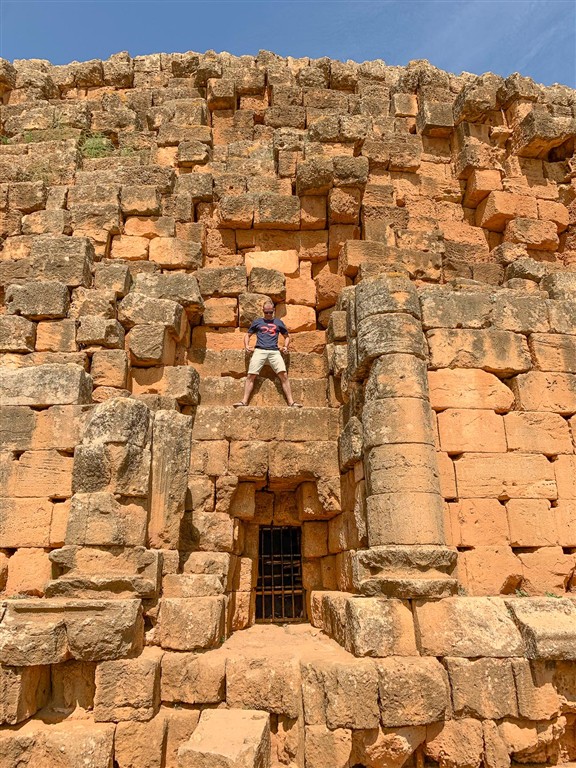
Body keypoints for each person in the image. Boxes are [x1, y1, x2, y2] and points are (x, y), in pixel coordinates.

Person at [234, 300, 302, 408]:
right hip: (259, 350)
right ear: (263, 311)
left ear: (274, 310)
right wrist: (246, 345)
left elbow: (287, 336)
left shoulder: (278, 322)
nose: (269, 314)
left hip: (274, 352)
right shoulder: (257, 322)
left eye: (271, 312)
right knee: (251, 375)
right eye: (266, 312)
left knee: (284, 375)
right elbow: (247, 335)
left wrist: (285, 346)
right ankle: (244, 401)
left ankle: (291, 402)